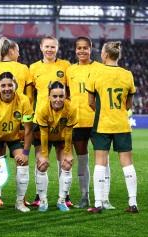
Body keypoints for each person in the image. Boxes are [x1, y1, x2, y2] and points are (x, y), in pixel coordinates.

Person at [86, 41, 138, 213]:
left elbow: (90, 102)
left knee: (100, 163)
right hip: (122, 124)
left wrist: (104, 111)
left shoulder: (96, 72)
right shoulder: (127, 74)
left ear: (105, 55)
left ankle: (99, 204)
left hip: (103, 124)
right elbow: (129, 105)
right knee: (127, 163)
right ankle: (133, 203)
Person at [66, 36, 114, 209]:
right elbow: (66, 94)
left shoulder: (100, 68)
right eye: (79, 48)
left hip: (97, 121)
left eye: (85, 48)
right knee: (82, 160)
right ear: (75, 50)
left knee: (103, 160)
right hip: (77, 121)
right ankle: (85, 196)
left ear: (91, 49)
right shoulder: (70, 70)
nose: (82, 51)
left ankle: (105, 199)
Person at [0, 37, 33, 207]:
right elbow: (28, 98)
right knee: (21, 161)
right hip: (18, 124)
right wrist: (21, 123)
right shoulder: (23, 68)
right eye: (18, 51)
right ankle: (22, 200)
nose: (19, 54)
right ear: (11, 50)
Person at [29, 36, 72, 207]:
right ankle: (40, 197)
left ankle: (65, 197)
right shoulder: (33, 68)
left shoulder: (65, 66)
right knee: (41, 160)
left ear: (57, 48)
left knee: (65, 161)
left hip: (61, 120)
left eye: (53, 47)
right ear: (41, 47)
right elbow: (29, 95)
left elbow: (69, 92)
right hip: (40, 120)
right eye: (47, 46)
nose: (49, 50)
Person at [34, 81, 77, 212]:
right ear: (49, 96)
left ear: (65, 96)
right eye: (54, 96)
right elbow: (43, 134)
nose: (58, 99)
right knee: (41, 164)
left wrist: (68, 153)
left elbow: (69, 132)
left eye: (61, 96)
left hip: (62, 137)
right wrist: (45, 156)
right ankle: (43, 201)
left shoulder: (71, 109)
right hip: (43, 136)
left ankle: (62, 200)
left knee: (67, 163)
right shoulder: (42, 109)